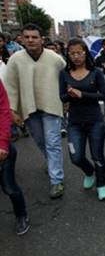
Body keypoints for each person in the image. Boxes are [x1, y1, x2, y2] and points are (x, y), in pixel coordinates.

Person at [4, 23, 66, 199]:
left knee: (53, 143)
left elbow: (67, 76)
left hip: (52, 106)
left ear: (42, 39)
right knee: (41, 142)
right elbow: (10, 86)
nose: (30, 40)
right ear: (22, 39)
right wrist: (13, 111)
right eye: (27, 37)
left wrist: (67, 101)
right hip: (29, 108)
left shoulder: (54, 58)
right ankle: (54, 165)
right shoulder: (16, 59)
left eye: (34, 37)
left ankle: (56, 180)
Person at [59, 38, 105, 200]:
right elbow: (62, 97)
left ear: (85, 52)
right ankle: (89, 172)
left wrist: (82, 94)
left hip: (95, 121)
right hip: (74, 122)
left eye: (79, 53)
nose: (76, 56)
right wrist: (70, 94)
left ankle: (101, 185)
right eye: (72, 53)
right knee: (76, 157)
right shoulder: (64, 74)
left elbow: (104, 95)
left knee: (97, 156)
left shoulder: (96, 73)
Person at [0, 79, 30, 235]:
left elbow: (3, 111)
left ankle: (21, 215)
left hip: (2, 149)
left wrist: (3, 145)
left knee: (9, 187)